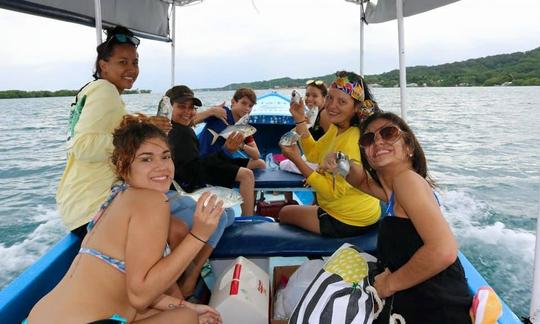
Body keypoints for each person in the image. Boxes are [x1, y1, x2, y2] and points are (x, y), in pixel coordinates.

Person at [27, 114, 222, 323]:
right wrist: (199, 235)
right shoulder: (153, 201)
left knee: (185, 312)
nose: (162, 166)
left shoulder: (117, 196)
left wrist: (187, 305)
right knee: (186, 319)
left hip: (39, 316)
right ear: (122, 165)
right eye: (146, 159)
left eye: (165, 156)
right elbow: (140, 296)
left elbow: (136, 293)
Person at [321, 111, 472, 322]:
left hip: (437, 307)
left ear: (409, 147)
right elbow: (361, 182)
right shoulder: (394, 193)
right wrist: (339, 160)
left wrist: (388, 284)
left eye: (389, 133)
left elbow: (444, 250)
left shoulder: (407, 181)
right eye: (368, 139)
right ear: (367, 156)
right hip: (423, 299)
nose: (378, 141)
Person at [56, 25, 171, 238]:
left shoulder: (90, 90)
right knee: (179, 223)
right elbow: (84, 146)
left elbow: (107, 130)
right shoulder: (105, 90)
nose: (132, 69)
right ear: (103, 65)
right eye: (122, 62)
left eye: (135, 62)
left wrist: (143, 123)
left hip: (79, 206)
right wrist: (140, 137)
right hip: (94, 207)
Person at [279, 71, 381, 237]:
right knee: (300, 209)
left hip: (349, 220)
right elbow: (313, 153)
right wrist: (299, 119)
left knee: (285, 213)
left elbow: (332, 192)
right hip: (354, 211)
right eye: (330, 98)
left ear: (356, 108)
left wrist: (297, 161)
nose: (332, 106)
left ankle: (318, 258)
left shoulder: (351, 140)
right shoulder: (338, 127)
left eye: (342, 101)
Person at [164, 85, 236, 295]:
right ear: (169, 107)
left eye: (191, 108)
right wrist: (225, 152)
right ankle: (193, 273)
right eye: (181, 107)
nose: (188, 112)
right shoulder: (180, 135)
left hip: (179, 190)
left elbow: (193, 171)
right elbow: (196, 173)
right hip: (169, 195)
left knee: (230, 213)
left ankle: (193, 260)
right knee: (220, 215)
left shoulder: (178, 129)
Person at [198, 87, 266, 170]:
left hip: (223, 160)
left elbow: (256, 155)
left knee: (261, 163)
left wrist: (241, 145)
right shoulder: (221, 113)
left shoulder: (243, 127)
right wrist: (210, 111)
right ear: (233, 102)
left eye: (250, 106)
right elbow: (192, 121)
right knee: (246, 174)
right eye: (244, 103)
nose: (247, 108)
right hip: (206, 160)